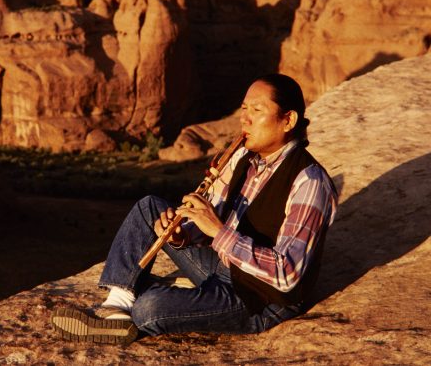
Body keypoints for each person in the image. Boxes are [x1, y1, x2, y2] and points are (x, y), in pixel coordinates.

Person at [51, 74, 338, 344]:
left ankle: (144, 301)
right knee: (148, 207)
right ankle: (116, 307)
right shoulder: (243, 157)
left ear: (288, 120)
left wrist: (217, 230)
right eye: (243, 108)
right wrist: (182, 234)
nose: (245, 119)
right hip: (224, 267)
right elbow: (207, 219)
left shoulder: (309, 182)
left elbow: (287, 274)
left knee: (150, 308)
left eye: (257, 110)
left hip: (260, 299)